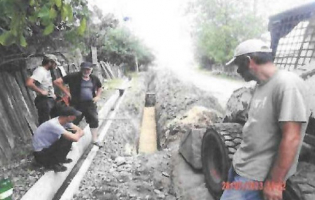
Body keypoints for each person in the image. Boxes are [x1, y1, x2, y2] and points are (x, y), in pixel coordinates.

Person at [221, 39, 309, 200]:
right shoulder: (261, 85)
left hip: (256, 176)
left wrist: (275, 182)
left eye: (239, 65)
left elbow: (292, 137)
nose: (238, 71)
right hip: (242, 165)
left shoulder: (287, 84)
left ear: (249, 61)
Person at [54, 61, 103, 148]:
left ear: (91, 70)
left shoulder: (94, 78)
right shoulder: (73, 76)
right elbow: (57, 82)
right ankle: (69, 144)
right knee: (72, 123)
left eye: (88, 69)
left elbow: (99, 87)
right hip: (77, 104)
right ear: (81, 69)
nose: (86, 71)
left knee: (94, 119)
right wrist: (67, 92)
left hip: (90, 104)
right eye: (84, 69)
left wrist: (98, 96)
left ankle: (94, 139)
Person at [32, 106, 84, 172]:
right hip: (40, 153)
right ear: (68, 117)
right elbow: (75, 138)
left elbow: (82, 131)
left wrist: (77, 133)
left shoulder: (63, 121)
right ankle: (53, 164)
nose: (75, 117)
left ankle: (60, 159)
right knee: (67, 138)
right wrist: (77, 133)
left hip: (47, 148)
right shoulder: (54, 125)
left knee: (69, 135)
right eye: (74, 116)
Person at [26, 54, 59, 125]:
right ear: (49, 62)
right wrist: (41, 91)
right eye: (54, 64)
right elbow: (29, 83)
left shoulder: (47, 71)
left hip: (50, 99)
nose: (55, 66)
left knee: (56, 120)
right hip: (43, 100)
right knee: (44, 122)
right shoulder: (40, 71)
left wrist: (52, 94)